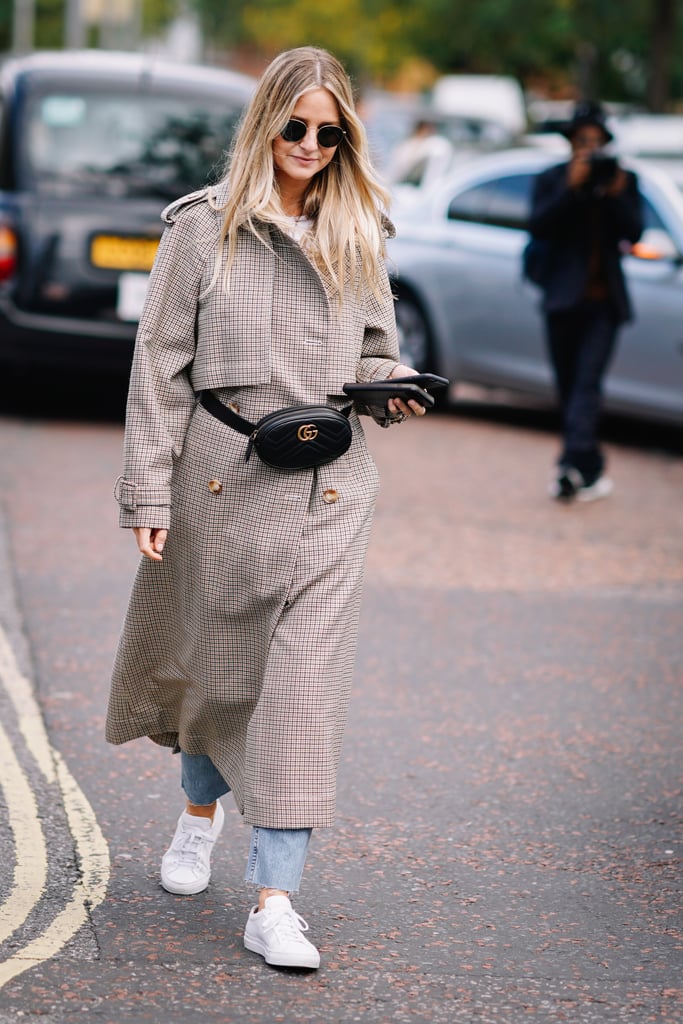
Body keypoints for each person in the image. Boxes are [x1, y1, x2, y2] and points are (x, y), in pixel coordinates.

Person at [105, 46, 429, 971]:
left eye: (330, 133)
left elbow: (374, 352)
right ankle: (198, 817)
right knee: (223, 674)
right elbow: (157, 373)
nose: (311, 145)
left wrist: (394, 385)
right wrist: (144, 490)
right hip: (220, 478)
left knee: (298, 696)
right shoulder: (201, 232)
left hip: (332, 485)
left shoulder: (360, 228)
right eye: (295, 127)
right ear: (265, 125)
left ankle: (274, 902)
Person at [527, 101, 642, 502]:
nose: (589, 149)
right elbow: (538, 224)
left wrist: (614, 195)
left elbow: (635, 232)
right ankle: (589, 466)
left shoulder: (622, 180)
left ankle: (569, 468)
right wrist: (570, 189)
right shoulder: (552, 179)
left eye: (596, 142)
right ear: (571, 143)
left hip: (604, 305)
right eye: (582, 141)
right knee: (567, 388)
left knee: (586, 387)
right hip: (561, 300)